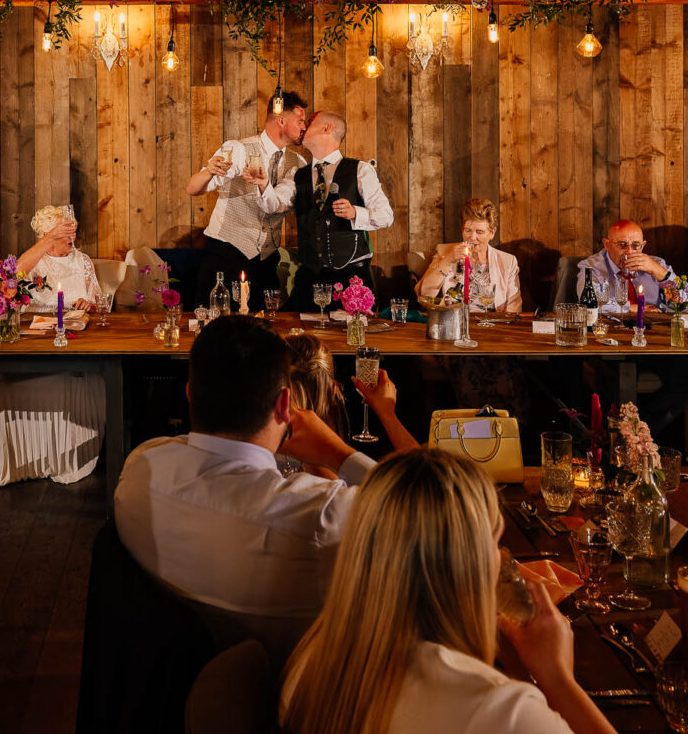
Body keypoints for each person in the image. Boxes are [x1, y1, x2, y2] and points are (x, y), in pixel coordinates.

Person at [280, 448, 617, 734]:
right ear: (464, 561)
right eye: (494, 540)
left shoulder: (310, 663)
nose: (501, 558)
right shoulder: (502, 712)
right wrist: (558, 679)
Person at [115, 315, 380, 660]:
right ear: (285, 406)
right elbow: (432, 509)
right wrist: (338, 453)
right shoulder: (322, 517)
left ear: (190, 393)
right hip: (292, 691)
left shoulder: (140, 469)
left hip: (169, 682)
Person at [0, 205, 105, 488]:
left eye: (72, 229)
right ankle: (28, 457)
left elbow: (99, 302)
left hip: (75, 338)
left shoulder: (83, 261)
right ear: (46, 234)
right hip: (35, 337)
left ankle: (67, 455)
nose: (71, 236)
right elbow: (10, 277)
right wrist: (47, 241)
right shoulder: (35, 262)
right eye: (63, 231)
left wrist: (88, 305)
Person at [574, 219, 688, 438]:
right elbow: (591, 302)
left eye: (636, 246)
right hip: (611, 343)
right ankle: (620, 440)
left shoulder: (656, 264)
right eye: (622, 245)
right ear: (607, 244)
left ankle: (634, 435)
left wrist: (660, 274)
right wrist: (635, 308)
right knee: (614, 383)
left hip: (654, 342)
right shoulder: (591, 267)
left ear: (643, 245)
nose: (629, 251)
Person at [188, 91, 310, 309]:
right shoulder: (239, 149)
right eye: (300, 121)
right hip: (225, 254)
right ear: (281, 120)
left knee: (262, 331)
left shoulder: (298, 163)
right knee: (215, 328)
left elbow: (279, 203)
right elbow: (194, 188)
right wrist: (208, 171)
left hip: (265, 261)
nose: (304, 127)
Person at [274, 110, 394, 310]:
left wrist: (356, 213)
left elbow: (386, 216)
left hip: (352, 279)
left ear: (327, 128)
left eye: (309, 123)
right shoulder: (297, 175)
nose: (303, 128)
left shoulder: (360, 170)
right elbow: (275, 203)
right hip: (309, 278)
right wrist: (261, 186)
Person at [286, 336, 418, 478]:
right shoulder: (340, 490)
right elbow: (428, 479)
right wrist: (388, 415)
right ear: (333, 390)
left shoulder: (265, 465)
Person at [417, 198, 522, 314]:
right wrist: (448, 260)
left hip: (490, 324)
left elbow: (513, 309)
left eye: (479, 232)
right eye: (468, 230)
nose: (472, 237)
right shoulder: (445, 252)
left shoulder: (507, 261)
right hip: (454, 323)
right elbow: (424, 293)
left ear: (492, 233)